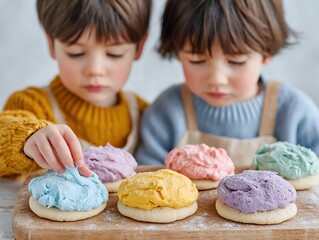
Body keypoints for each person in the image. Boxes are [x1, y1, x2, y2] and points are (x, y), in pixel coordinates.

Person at [135, 0, 319, 168]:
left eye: (236, 61)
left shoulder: (295, 113)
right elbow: (147, 178)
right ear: (177, 53)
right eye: (196, 61)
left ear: (266, 52)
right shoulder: (166, 113)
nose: (217, 79)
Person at [0, 0, 152, 178]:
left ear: (139, 48)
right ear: (52, 45)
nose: (95, 69)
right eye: (76, 53)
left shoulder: (145, 114)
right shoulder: (31, 105)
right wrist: (26, 139)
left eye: (114, 54)